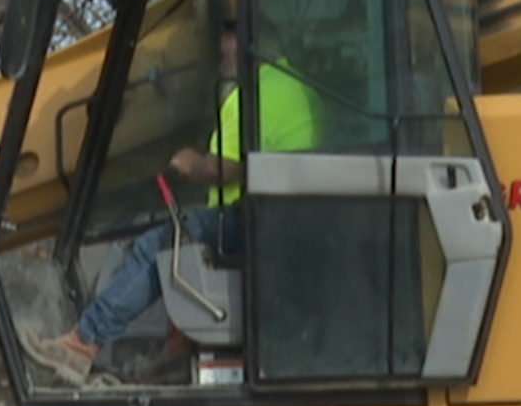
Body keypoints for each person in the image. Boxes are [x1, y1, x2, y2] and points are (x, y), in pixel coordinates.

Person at [23, 22, 317, 384]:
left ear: (246, 44)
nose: (222, 53)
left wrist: (188, 161)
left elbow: (223, 167)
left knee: (163, 246)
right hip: (288, 219)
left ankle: (84, 340)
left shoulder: (255, 94)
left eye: (226, 43)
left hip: (255, 220)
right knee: (189, 245)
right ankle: (177, 351)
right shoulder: (294, 85)